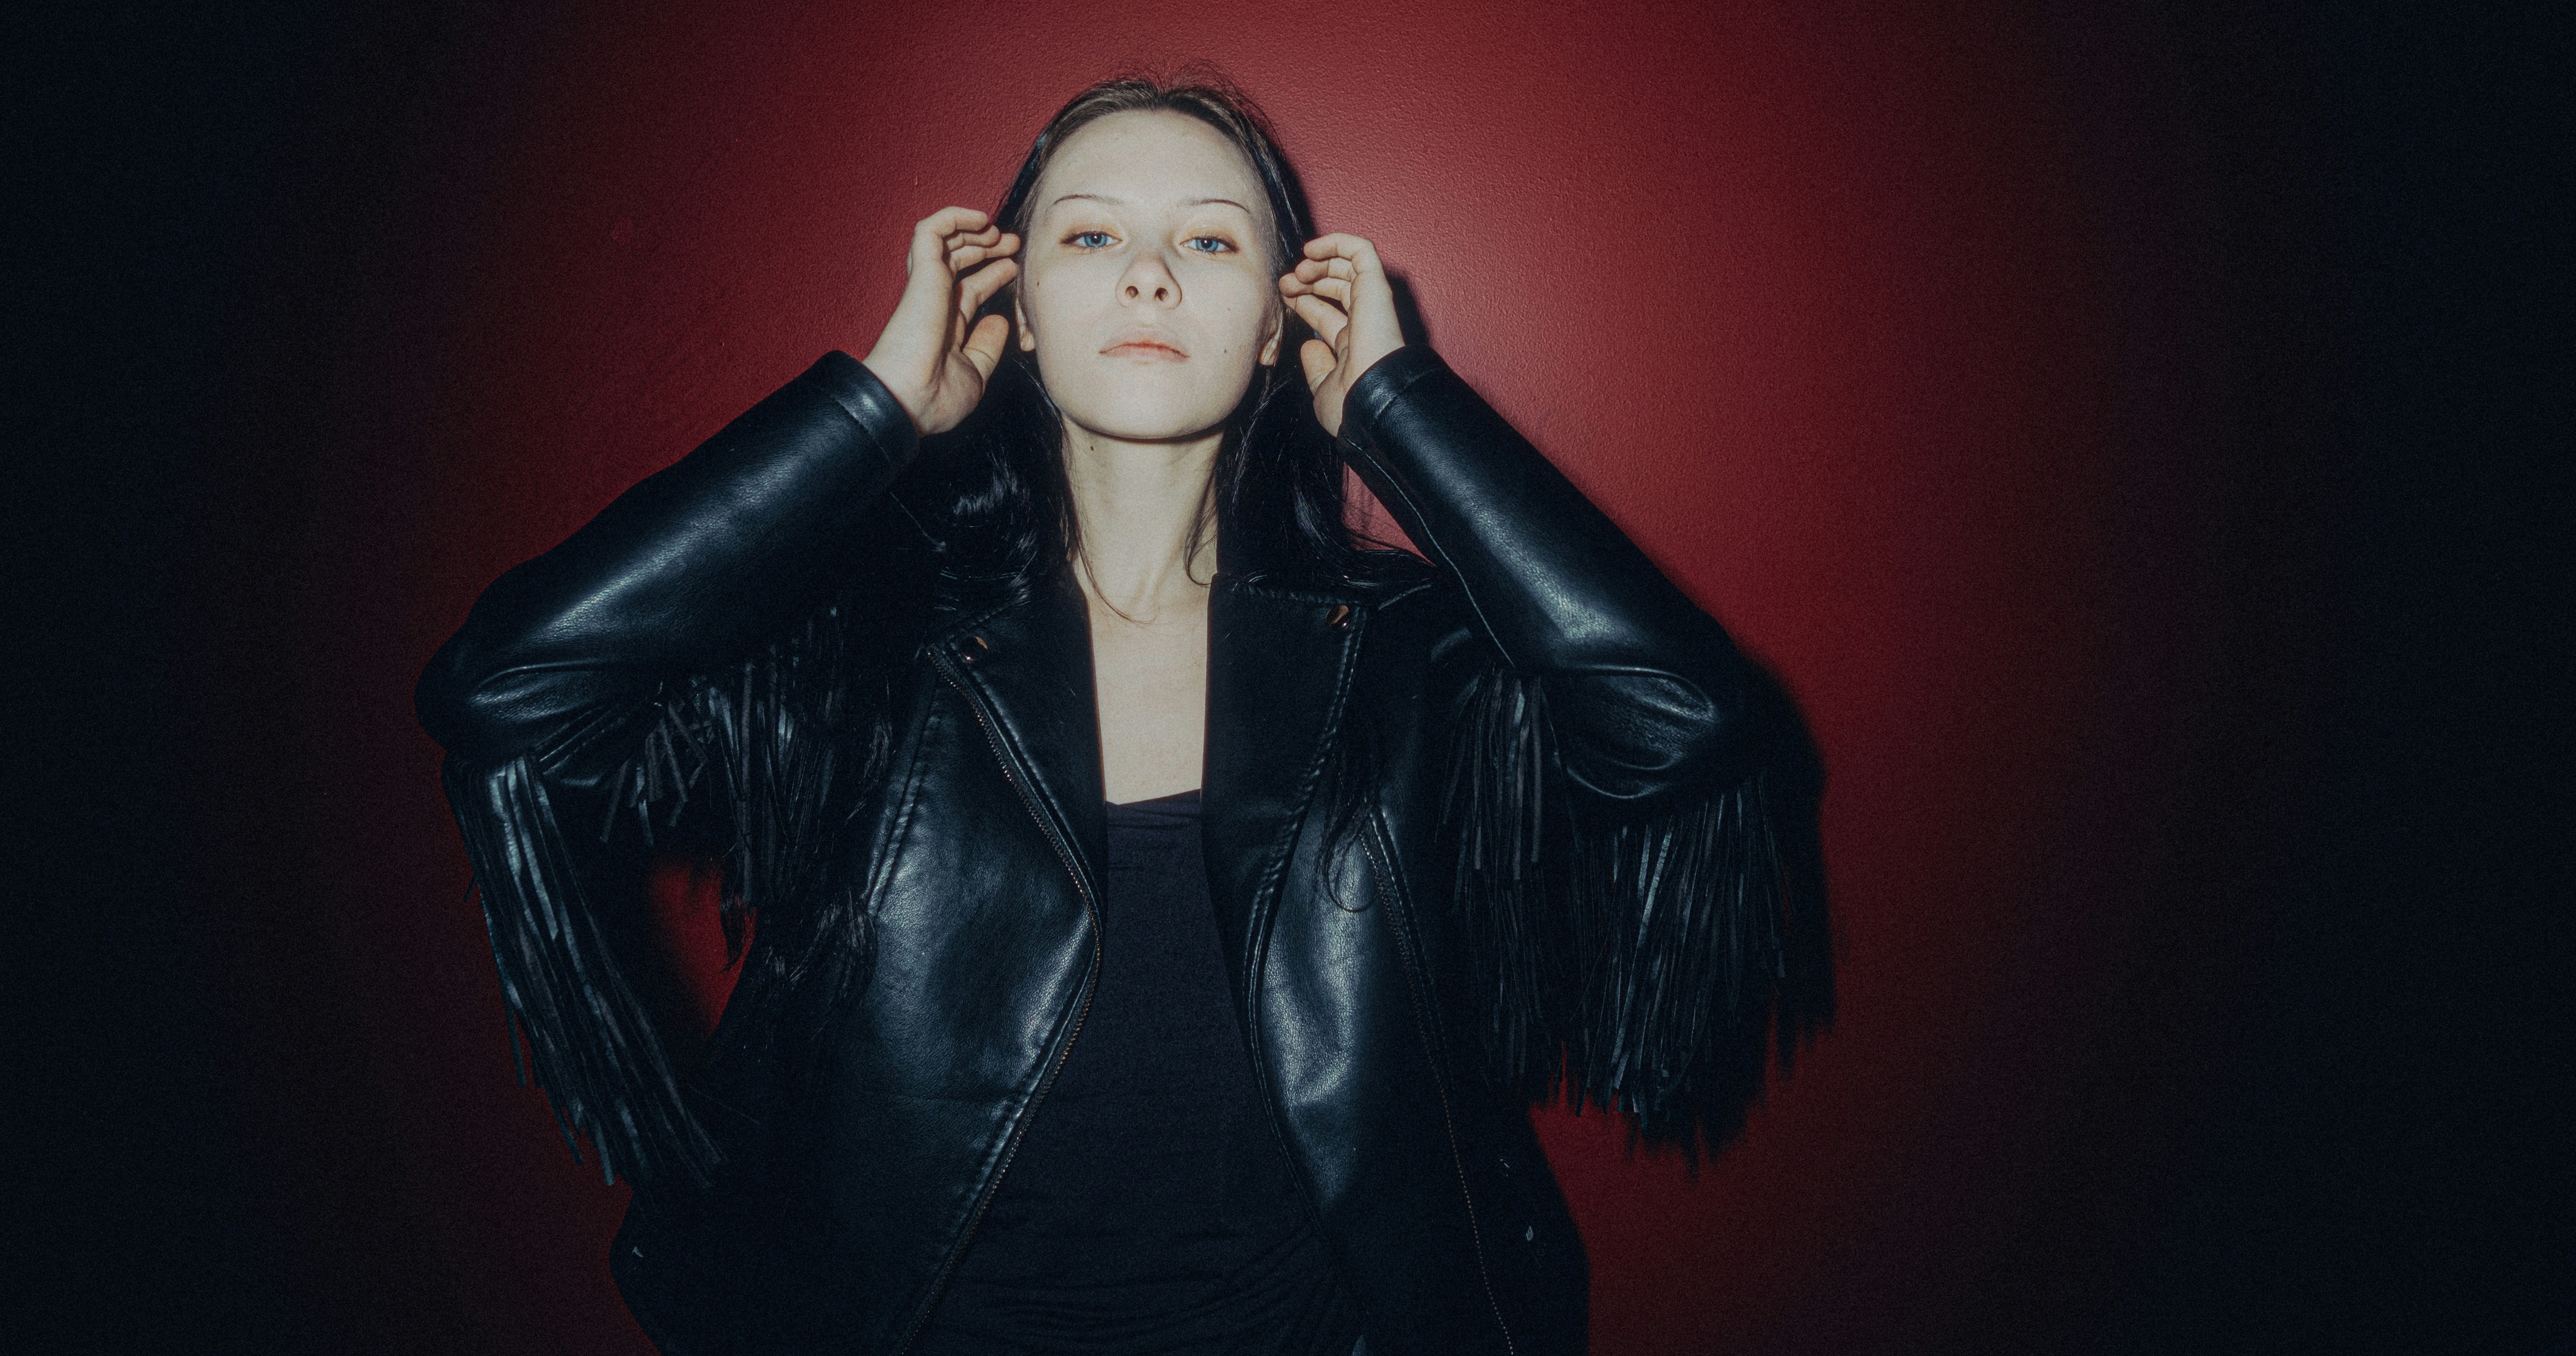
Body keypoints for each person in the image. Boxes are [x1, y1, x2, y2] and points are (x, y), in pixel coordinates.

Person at [418, 76, 1833, 1356]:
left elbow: (1682, 718)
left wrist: (1400, 409)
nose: (1150, 273)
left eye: (1212, 242)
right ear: (1017, 311)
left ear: (1283, 322)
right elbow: (507, 691)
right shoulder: (862, 648)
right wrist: (877, 407)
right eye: (1090, 237)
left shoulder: (1402, 658)